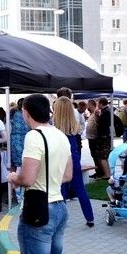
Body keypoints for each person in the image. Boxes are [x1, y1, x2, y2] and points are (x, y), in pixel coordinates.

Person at [2, 94, 73, 254]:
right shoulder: (60, 135)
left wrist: (13, 177)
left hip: (38, 211)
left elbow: (28, 179)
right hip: (59, 206)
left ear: (26, 113)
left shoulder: (34, 136)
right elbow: (68, 175)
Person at [52, 97, 94, 226]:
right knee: (80, 188)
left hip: (60, 159)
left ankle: (62, 219)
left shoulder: (54, 128)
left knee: (61, 189)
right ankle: (90, 218)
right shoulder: (74, 125)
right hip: (74, 158)